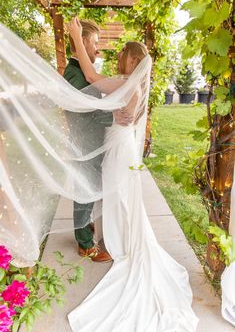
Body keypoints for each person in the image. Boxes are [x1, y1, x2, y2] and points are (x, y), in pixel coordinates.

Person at [66, 18, 199, 332]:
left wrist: (75, 37)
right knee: (120, 197)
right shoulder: (132, 85)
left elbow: (89, 75)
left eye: (124, 54)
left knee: (120, 197)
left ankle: (121, 242)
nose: (117, 56)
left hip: (118, 149)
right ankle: (119, 239)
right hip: (120, 146)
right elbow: (117, 107)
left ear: (134, 61)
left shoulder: (125, 82)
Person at [64, 20, 133, 263]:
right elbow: (82, 108)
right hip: (85, 143)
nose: (98, 49)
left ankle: (86, 225)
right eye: (95, 43)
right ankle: (85, 245)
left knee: (90, 188)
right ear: (82, 42)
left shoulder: (80, 71)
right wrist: (112, 114)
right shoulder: (74, 73)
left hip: (91, 141)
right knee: (84, 190)